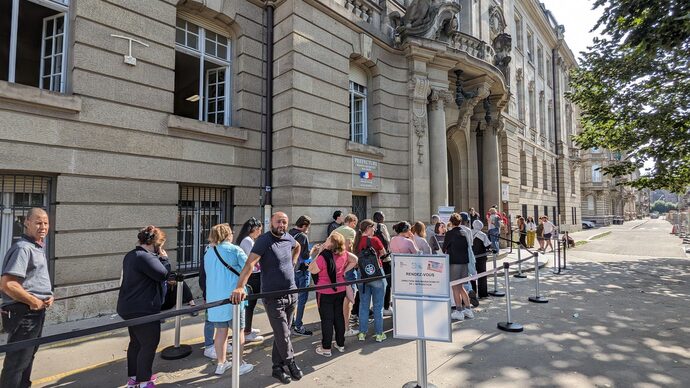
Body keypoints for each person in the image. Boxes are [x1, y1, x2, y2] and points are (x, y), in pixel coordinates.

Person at [231, 212, 303, 385]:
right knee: (283, 334)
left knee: (281, 335)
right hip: (272, 296)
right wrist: (240, 286)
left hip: (291, 293)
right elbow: (249, 264)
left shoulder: (288, 238)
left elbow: (298, 246)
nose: (281, 225)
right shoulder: (264, 240)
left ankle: (277, 368)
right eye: (278, 221)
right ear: (271, 222)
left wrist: (293, 261)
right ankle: (291, 362)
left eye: (284, 222)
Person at [0, 208, 54, 388]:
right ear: (27, 223)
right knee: (17, 362)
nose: (43, 227)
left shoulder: (36, 247)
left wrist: (47, 296)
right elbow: (8, 284)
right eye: (38, 222)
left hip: (35, 312)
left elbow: (33, 281)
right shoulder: (23, 248)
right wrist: (33, 301)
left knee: (27, 357)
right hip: (24, 313)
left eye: (46, 223)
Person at [117, 226, 170, 388]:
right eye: (160, 244)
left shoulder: (132, 255)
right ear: (154, 243)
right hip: (143, 308)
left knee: (136, 343)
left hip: (129, 306)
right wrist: (164, 259)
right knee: (149, 343)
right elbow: (163, 274)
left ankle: (134, 379)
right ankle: (145, 381)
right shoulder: (146, 257)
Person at [204, 223, 253, 376]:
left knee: (220, 332)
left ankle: (221, 363)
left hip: (215, 299)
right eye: (231, 232)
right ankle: (239, 364)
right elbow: (249, 266)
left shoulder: (208, 252)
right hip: (233, 297)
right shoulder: (234, 249)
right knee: (238, 332)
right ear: (227, 234)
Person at [308, 232, 357, 357]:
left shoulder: (323, 257)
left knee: (327, 320)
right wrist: (342, 272)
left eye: (328, 238)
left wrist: (320, 251)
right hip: (340, 289)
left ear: (331, 243)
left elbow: (311, 269)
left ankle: (326, 348)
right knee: (338, 317)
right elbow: (355, 260)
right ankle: (340, 344)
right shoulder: (344, 254)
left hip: (324, 292)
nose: (326, 239)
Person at [354, 219, 388, 342]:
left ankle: (362, 333)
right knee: (378, 306)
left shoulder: (356, 241)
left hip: (362, 275)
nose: (374, 230)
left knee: (363, 305)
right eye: (373, 228)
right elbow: (383, 254)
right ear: (368, 228)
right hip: (377, 274)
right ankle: (379, 334)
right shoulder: (375, 240)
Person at [235, 217, 265, 343]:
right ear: (255, 229)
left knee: (250, 305)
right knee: (250, 304)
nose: (260, 233)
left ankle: (247, 327)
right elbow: (252, 260)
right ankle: (246, 331)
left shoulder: (247, 240)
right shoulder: (247, 241)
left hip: (253, 275)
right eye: (260, 230)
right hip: (252, 276)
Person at [442, 214, 474, 321]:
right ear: (460, 222)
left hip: (454, 263)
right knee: (461, 287)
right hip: (464, 262)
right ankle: (468, 309)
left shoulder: (450, 233)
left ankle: (459, 310)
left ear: (451, 222)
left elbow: (444, 248)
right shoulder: (465, 232)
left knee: (455, 287)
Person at [334, 214, 359, 336]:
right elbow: (348, 247)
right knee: (348, 298)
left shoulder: (335, 230)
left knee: (338, 298)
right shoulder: (351, 231)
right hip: (347, 267)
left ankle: (339, 326)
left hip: (335, 267)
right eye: (355, 223)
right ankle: (346, 328)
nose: (355, 226)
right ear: (352, 222)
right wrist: (352, 263)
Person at [289, 215, 313, 336]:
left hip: (291, 270)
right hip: (302, 271)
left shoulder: (289, 233)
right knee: (302, 299)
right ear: (304, 226)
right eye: (307, 227)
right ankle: (298, 326)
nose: (308, 229)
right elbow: (305, 256)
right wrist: (313, 251)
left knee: (292, 298)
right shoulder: (303, 236)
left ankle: (290, 323)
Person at [372, 211, 393, 316]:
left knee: (373, 284)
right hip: (385, 259)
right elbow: (388, 241)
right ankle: (386, 306)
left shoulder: (370, 227)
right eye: (383, 216)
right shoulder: (382, 226)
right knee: (388, 283)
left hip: (373, 260)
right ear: (379, 218)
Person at [471, 220, 493, 298]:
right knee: (482, 275)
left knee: (472, 276)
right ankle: (483, 293)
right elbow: (488, 245)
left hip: (471, 258)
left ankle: (472, 293)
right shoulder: (482, 234)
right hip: (481, 258)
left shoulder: (469, 233)